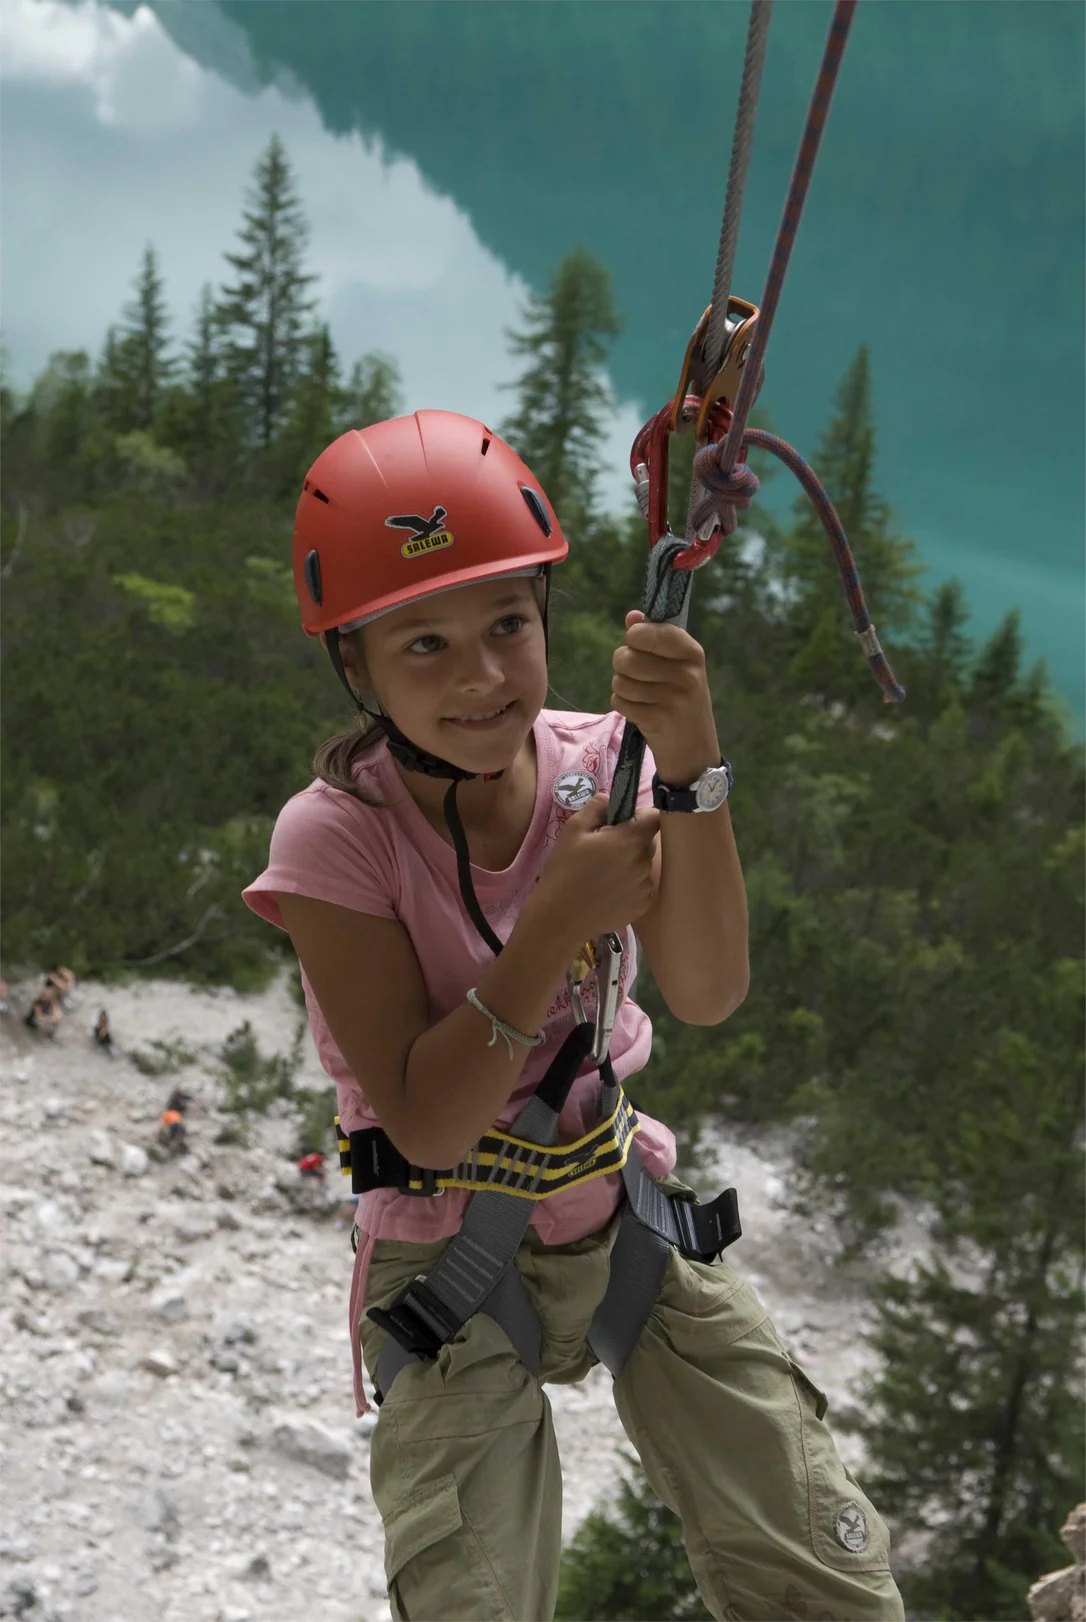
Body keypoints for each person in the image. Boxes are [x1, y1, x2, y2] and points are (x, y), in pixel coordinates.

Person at [241, 412, 904, 1622]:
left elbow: (705, 990)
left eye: (508, 623)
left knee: (832, 1578)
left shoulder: (611, 765)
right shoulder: (336, 836)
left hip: (618, 1206)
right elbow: (430, 1123)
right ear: (359, 667)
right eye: (425, 643)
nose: (482, 675)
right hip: (443, 1250)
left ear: (549, 612)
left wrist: (693, 764)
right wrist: (554, 919)